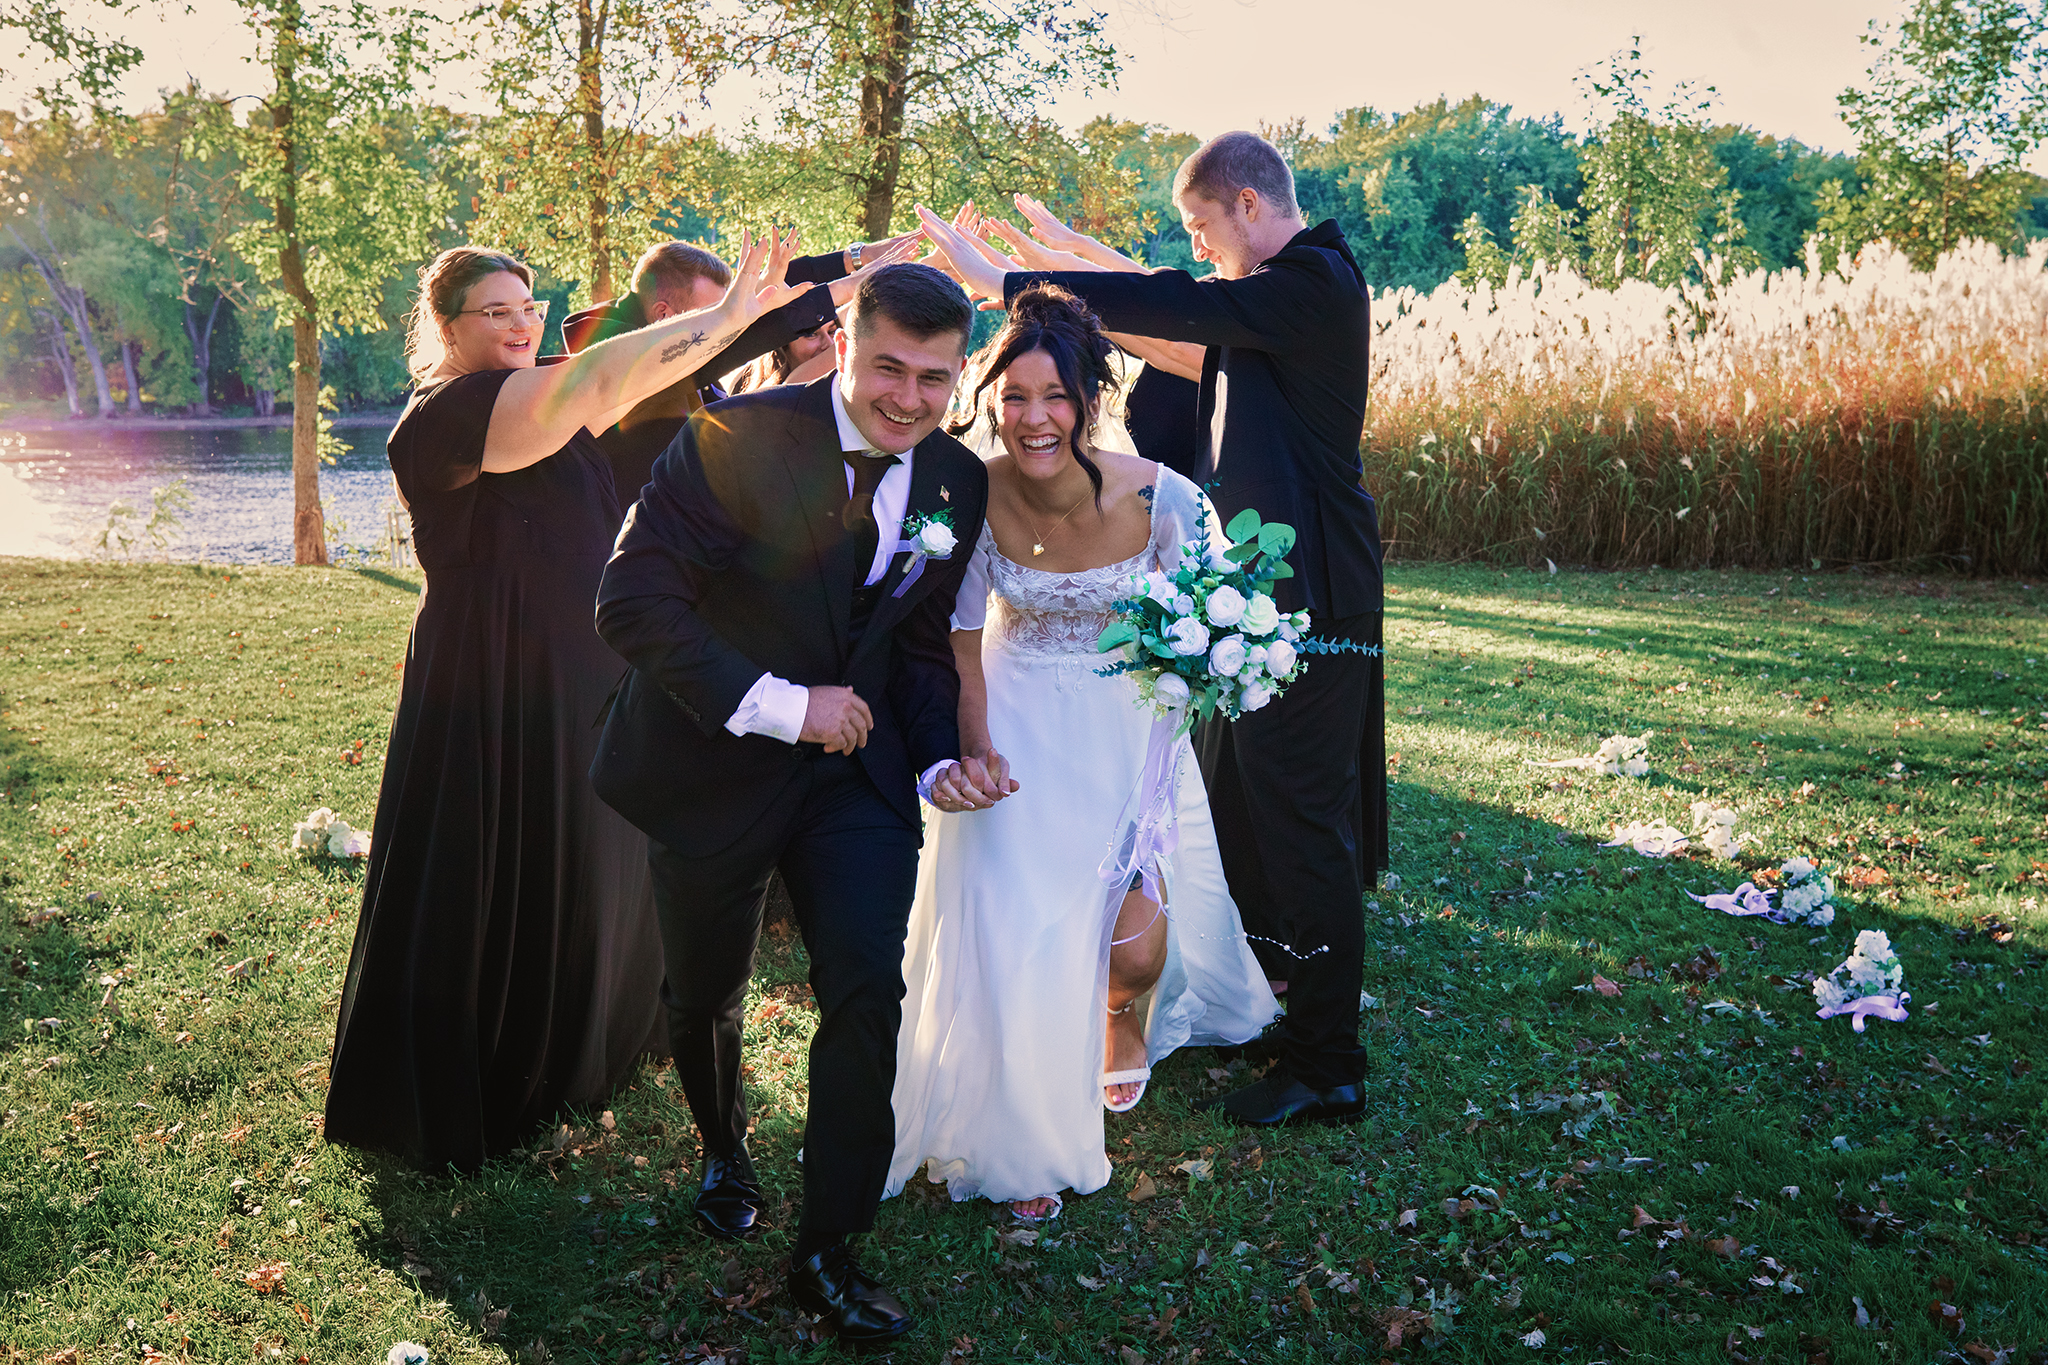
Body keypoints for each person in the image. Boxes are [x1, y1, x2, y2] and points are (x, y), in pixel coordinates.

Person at [918, 129, 1387, 1129]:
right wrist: (1059, 258)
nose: (1204, 247)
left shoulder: (1311, 282)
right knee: (1261, 812)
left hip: (1309, 596)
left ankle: (1328, 1060)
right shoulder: (1284, 298)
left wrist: (1009, 280)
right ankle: (1291, 1010)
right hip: (1266, 593)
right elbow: (1168, 303)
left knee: (1305, 825)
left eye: (1202, 228)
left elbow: (1183, 301)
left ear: (1247, 208)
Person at [591, 262, 1007, 1346]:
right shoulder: (737, 437)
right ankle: (724, 1147)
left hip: (855, 782)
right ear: (846, 343)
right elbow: (630, 603)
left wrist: (930, 765)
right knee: (704, 990)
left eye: (933, 377)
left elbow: (913, 647)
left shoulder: (958, 481)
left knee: (868, 988)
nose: (907, 399)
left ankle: (826, 1249)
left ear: (957, 371)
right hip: (709, 759)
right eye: (886, 369)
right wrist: (783, 706)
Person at [324, 233, 802, 1171]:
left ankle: (590, 1053)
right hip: (492, 676)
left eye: (527, 306)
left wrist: (762, 312)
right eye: (493, 312)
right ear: (446, 328)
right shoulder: (448, 414)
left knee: (593, 851)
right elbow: (590, 385)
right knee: (506, 856)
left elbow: (627, 378)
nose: (518, 323)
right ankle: (501, 1073)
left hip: (581, 662)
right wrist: (722, 313)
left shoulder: (538, 387)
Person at [886, 284, 1277, 1222]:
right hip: (1015, 719)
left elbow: (1209, 615)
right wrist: (976, 755)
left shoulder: (1161, 497)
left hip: (1127, 726)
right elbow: (963, 641)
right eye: (1013, 397)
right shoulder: (972, 495)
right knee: (1015, 917)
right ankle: (1028, 1142)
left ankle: (1117, 1015)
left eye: (1053, 396)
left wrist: (1207, 667)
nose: (1032, 418)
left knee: (1132, 941)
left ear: (1086, 400)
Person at [563, 231, 924, 509]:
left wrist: (851, 259)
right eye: (716, 315)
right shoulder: (625, 363)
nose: (730, 322)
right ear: (664, 314)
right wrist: (846, 287)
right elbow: (742, 334)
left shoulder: (671, 335)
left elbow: (751, 305)